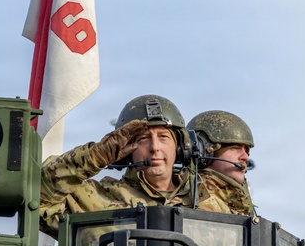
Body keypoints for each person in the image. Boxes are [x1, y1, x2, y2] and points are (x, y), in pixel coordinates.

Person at [40, 94, 195, 238]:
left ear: (181, 147)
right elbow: (36, 197)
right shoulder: (94, 198)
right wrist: (95, 156)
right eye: (143, 138)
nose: (154, 147)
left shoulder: (204, 198)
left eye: (163, 137)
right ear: (127, 149)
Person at [187, 110, 256, 216]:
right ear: (203, 151)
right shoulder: (195, 200)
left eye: (247, 151)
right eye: (235, 148)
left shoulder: (237, 203)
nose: (245, 157)